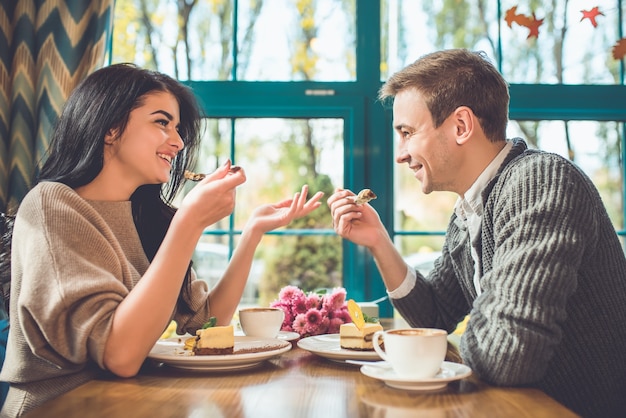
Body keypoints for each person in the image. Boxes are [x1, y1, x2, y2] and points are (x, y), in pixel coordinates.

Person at [0, 63, 323, 417]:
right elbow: (119, 355)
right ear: (110, 127)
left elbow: (202, 325)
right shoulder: (52, 205)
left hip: (138, 403)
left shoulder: (146, 219)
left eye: (178, 127)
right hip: (63, 407)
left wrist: (251, 234)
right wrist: (188, 223)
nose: (179, 141)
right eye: (161, 122)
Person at [328, 49, 626, 418]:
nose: (400, 154)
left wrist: (451, 350)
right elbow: (434, 316)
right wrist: (379, 241)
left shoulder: (539, 181)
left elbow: (506, 357)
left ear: (461, 126)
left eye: (407, 133)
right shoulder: (473, 206)